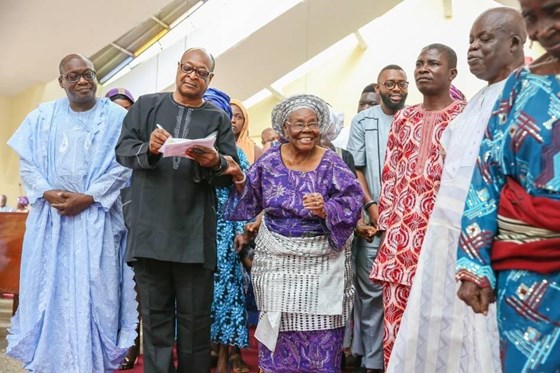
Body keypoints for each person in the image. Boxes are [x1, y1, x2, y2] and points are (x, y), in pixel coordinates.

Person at [389, 8, 526, 372]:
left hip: (495, 245)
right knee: (441, 336)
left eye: (484, 39)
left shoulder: (528, 95)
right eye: (470, 40)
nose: (473, 49)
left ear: (514, 43)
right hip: (444, 241)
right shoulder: (477, 102)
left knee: (488, 338)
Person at [6, 53, 137, 372]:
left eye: (88, 74)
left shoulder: (117, 119)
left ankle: (92, 364)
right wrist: (46, 191)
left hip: (97, 220)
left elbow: (124, 165)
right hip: (52, 220)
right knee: (49, 292)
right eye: (74, 76)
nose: (82, 81)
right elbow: (28, 163)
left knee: (97, 293)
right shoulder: (42, 116)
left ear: (96, 77)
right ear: (61, 81)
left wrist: (89, 196)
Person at [115, 47, 239, 373]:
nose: (192, 76)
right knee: (155, 325)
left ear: (210, 79)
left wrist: (214, 162)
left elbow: (229, 174)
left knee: (195, 325)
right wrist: (150, 149)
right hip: (150, 233)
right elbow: (123, 152)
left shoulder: (217, 118)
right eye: (188, 68)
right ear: (178, 68)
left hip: (194, 238)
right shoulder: (146, 106)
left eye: (201, 72)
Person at [222, 93, 363, 372]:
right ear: (285, 129)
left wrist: (327, 209)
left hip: (322, 263)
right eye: (299, 124)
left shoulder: (332, 162)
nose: (306, 130)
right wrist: (239, 178)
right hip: (276, 262)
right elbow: (250, 199)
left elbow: (352, 201)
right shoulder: (270, 160)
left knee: (320, 339)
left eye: (312, 124)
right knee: (278, 336)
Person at [456, 1, 560, 371]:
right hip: (527, 274)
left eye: (555, 11)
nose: (545, 29)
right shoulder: (519, 87)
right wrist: (473, 264)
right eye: (533, 18)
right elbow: (487, 176)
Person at [370, 44, 467, 366]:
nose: (424, 68)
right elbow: (390, 175)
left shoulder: (464, 117)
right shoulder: (403, 118)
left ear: (452, 73)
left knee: (441, 321)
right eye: (420, 63)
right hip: (401, 242)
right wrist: (387, 228)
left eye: (433, 64)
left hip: (443, 237)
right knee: (396, 322)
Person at [346, 64, 408, 373]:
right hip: (373, 224)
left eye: (401, 83)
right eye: (389, 84)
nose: (395, 89)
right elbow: (356, 168)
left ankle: (398, 359)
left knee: (402, 294)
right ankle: (372, 362)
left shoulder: (414, 118)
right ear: (379, 88)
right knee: (370, 294)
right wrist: (372, 207)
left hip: (408, 224)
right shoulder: (363, 121)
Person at [203, 88, 250, 373]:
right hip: (194, 232)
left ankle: (223, 361)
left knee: (227, 297)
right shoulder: (188, 149)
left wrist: (242, 231)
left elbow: (246, 197)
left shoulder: (236, 154)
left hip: (226, 232)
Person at [105, 87, 141, 370]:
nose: (121, 115)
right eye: (116, 108)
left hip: (135, 226)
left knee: (134, 290)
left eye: (127, 110)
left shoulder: (139, 145)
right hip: (103, 225)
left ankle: (131, 344)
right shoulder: (99, 145)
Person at [231, 99, 263, 163]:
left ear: (245, 122)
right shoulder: (215, 145)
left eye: (239, 117)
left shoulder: (255, 151)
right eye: (229, 115)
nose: (233, 120)